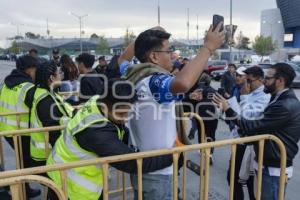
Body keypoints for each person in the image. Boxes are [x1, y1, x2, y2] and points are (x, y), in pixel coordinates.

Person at [118, 24, 224, 199]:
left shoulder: (133, 73)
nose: (173, 56)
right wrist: (208, 47)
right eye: (169, 51)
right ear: (154, 56)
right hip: (157, 173)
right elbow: (182, 83)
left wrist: (145, 35)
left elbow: (122, 59)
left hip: (142, 164)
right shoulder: (153, 81)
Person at [47, 79, 176, 200]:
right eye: (120, 113)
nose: (125, 119)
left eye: (128, 113)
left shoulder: (97, 100)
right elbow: (131, 163)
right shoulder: (97, 133)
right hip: (68, 184)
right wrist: (172, 155)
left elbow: (118, 130)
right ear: (104, 106)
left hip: (64, 171)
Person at [213, 63, 300, 200]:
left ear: (280, 81)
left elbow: (252, 124)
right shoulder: (277, 98)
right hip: (265, 160)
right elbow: (258, 126)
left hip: (274, 166)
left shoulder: (284, 104)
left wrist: (229, 108)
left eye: (268, 78)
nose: (265, 81)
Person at [225, 66, 271, 200]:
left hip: (250, 143)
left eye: (249, 80)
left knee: (242, 180)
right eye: (245, 79)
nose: (247, 83)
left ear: (261, 80)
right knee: (238, 179)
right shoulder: (248, 92)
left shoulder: (264, 96)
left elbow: (247, 119)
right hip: (240, 139)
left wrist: (243, 98)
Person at [0, 55, 41, 198]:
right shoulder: (27, 87)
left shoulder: (6, 84)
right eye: (36, 68)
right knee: (32, 162)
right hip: (22, 132)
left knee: (23, 160)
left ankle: (24, 188)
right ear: (29, 69)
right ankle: (23, 189)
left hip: (7, 131)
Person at [30, 61, 74, 163]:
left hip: (48, 153)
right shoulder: (46, 101)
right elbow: (53, 132)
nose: (62, 76)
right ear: (51, 78)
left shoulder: (44, 92)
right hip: (47, 155)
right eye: (59, 73)